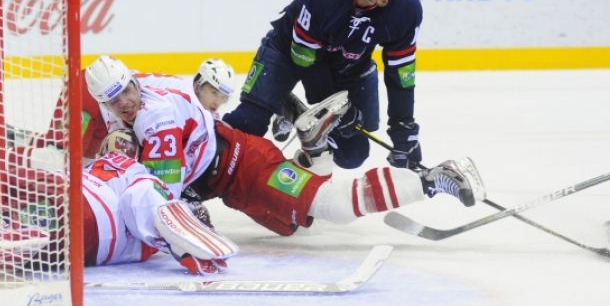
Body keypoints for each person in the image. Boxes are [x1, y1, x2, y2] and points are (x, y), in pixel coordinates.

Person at [84, 55, 485, 238]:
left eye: (127, 92)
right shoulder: (146, 84)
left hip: (244, 167)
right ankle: (314, 146)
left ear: (133, 81)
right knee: (289, 227)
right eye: (114, 99)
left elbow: (160, 199)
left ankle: (434, 179)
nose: (125, 103)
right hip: (228, 178)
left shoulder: (155, 121)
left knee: (335, 206)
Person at [223, 0, 423, 171]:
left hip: (346, 66)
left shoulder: (406, 9)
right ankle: (197, 166)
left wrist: (403, 127)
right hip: (288, 52)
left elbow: (402, 71)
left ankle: (294, 114)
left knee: (352, 153)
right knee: (250, 121)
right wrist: (334, 108)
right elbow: (303, 56)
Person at [0, 129, 237, 276]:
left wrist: (182, 243)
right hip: (88, 229)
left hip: (93, 217)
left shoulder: (138, 173)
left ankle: (2, 225)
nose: (121, 146)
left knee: (26, 183)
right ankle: (4, 226)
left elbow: (144, 197)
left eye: (126, 142)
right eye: (116, 141)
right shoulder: (98, 168)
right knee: (24, 186)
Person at [8, 57, 235, 170]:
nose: (217, 101)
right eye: (213, 92)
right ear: (199, 84)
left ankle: (18, 138)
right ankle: (2, 158)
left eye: (223, 97)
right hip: (90, 95)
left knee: (85, 164)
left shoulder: (195, 107)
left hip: (111, 109)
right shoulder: (184, 98)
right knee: (65, 160)